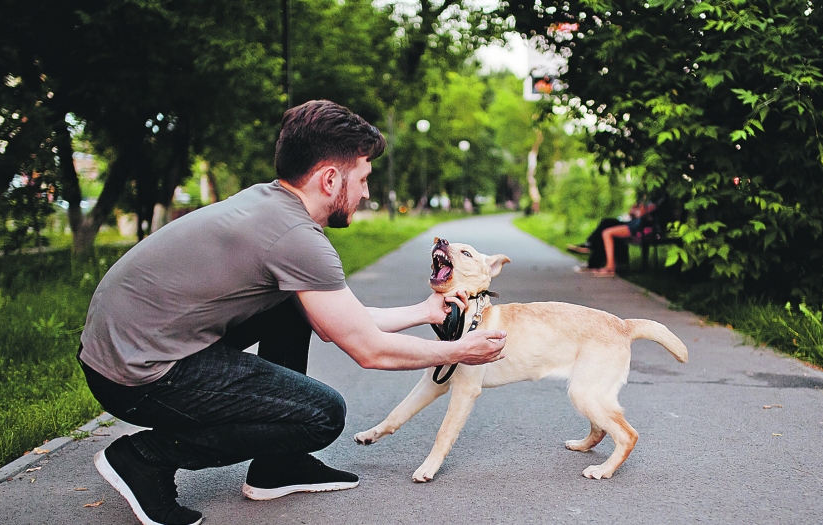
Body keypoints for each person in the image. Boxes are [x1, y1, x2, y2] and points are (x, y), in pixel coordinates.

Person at [78, 100, 507, 525]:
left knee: (291, 307)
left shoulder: (270, 204)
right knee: (321, 414)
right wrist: (460, 351)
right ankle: (145, 459)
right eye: (363, 179)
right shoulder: (296, 237)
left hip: (127, 354)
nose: (366, 192)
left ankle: (277, 467)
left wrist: (425, 311)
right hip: (139, 376)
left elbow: (342, 322)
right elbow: (369, 351)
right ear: (330, 179)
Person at [568, 195, 661, 276]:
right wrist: (637, 208)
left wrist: (641, 206)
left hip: (641, 228)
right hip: (635, 224)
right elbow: (632, 213)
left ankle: (608, 267)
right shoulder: (646, 197)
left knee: (607, 232)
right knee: (606, 222)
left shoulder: (655, 198)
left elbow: (641, 214)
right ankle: (591, 252)